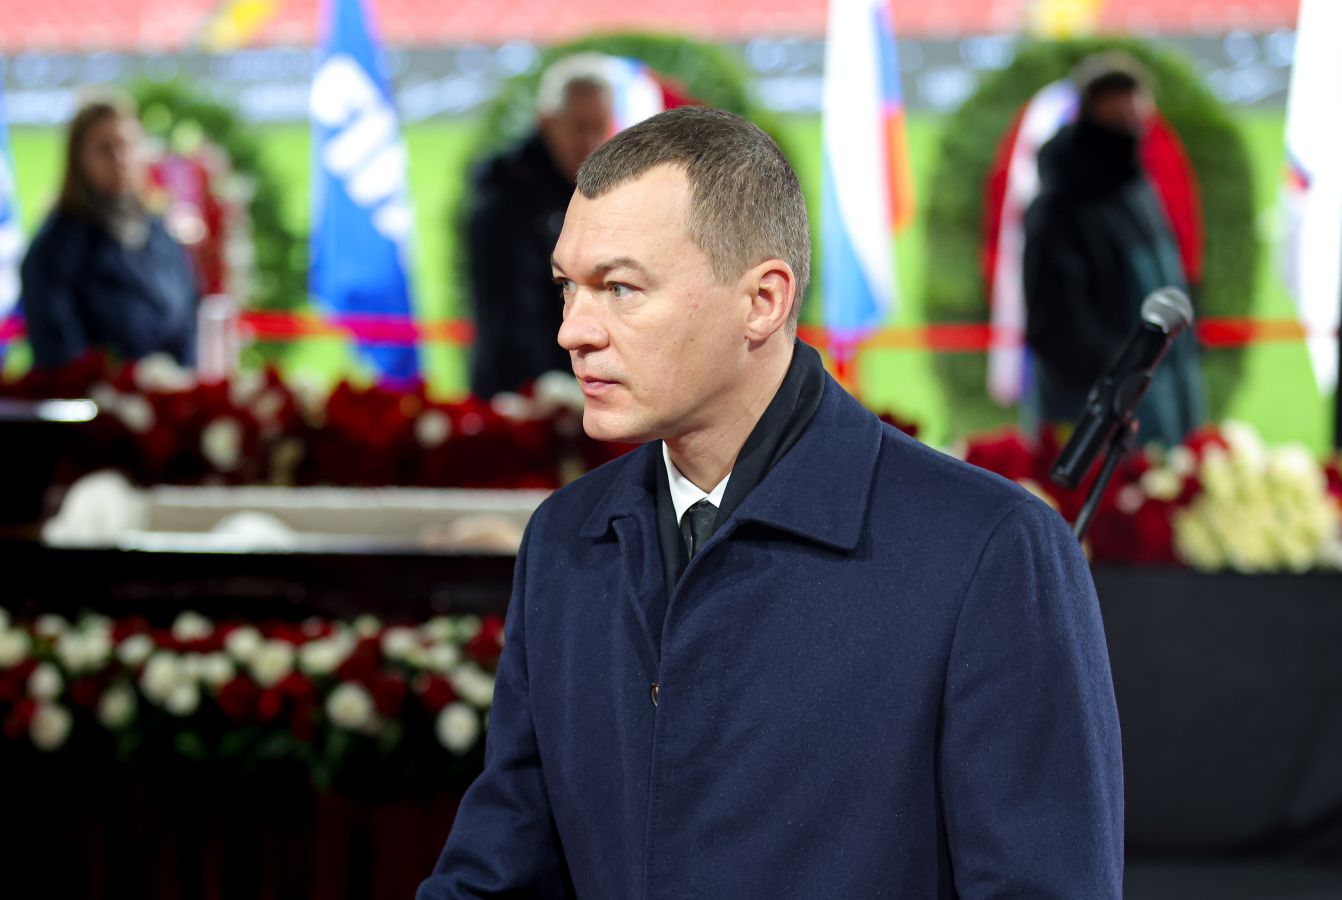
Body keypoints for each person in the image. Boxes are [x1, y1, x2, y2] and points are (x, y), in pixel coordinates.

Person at [420, 107, 1123, 898]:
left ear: (763, 300)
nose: (573, 332)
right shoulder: (565, 540)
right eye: (566, 288)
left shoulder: (991, 550)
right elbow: (501, 872)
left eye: (619, 288)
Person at [1022, 53, 1206, 447]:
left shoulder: (1138, 189)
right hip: (1097, 420)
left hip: (1156, 406)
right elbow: (1056, 326)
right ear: (1093, 108)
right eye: (1120, 110)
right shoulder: (1061, 203)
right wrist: (1124, 380)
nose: (1132, 119)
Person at [465, 53, 614, 399]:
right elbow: (509, 316)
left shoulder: (594, 191)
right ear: (547, 122)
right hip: (523, 396)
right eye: (579, 127)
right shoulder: (505, 195)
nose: (590, 142)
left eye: (599, 127)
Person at [21, 95, 199, 370]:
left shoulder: (158, 232)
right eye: (105, 149)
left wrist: (175, 381)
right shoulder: (57, 246)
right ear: (78, 159)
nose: (120, 159)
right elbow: (57, 351)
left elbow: (190, 319)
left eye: (126, 145)